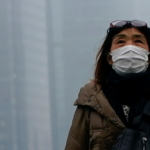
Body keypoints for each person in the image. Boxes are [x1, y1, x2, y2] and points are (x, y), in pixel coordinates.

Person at [65, 20, 150, 150]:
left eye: (138, 41)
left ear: (149, 57)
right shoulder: (91, 99)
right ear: (109, 58)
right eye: (120, 42)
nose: (130, 47)